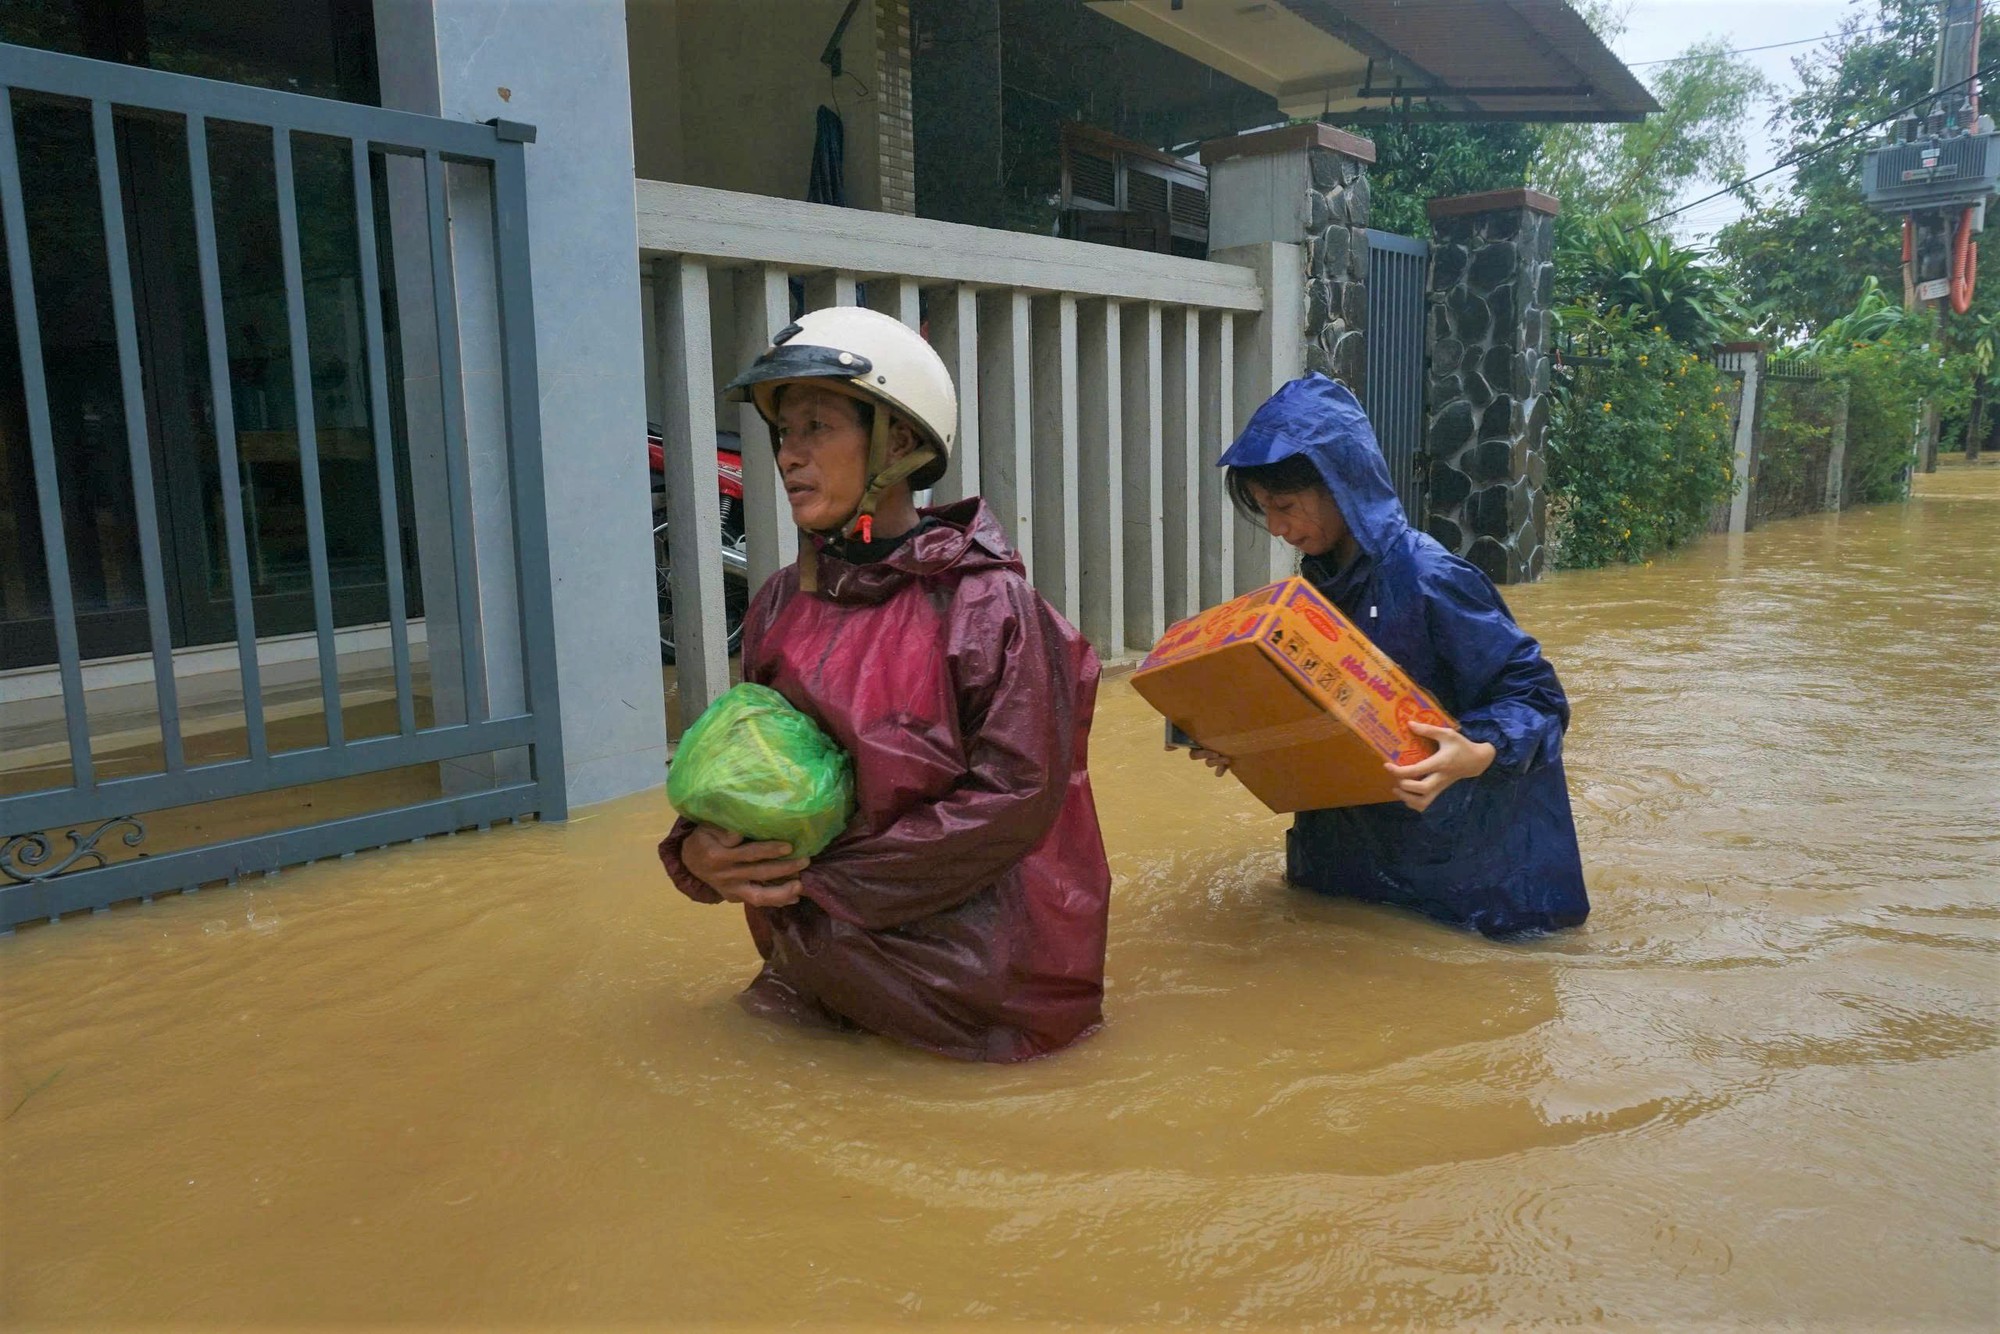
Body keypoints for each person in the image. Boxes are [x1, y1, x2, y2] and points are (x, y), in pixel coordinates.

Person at [657, 306, 1111, 1062]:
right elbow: (757, 768)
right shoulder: (778, 601)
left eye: (817, 427)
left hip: (968, 1003)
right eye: (783, 434)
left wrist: (815, 881)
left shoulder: (987, 606)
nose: (789, 456)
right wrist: (696, 853)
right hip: (810, 976)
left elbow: (1015, 803)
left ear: (897, 440)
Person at [1192, 374, 1588, 938]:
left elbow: (1538, 696)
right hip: (1347, 870)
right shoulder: (1315, 592)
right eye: (1263, 509)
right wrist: (1246, 742)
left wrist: (1478, 751)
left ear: (1340, 484)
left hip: (1461, 876)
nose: (1277, 529)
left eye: (1285, 506)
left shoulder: (1431, 579)